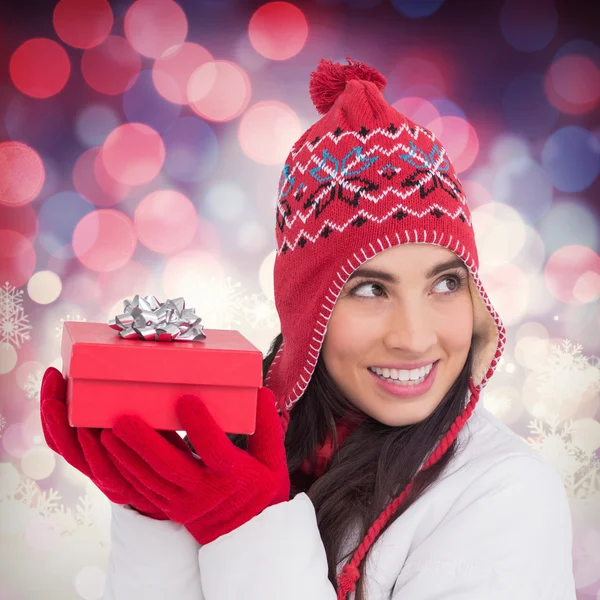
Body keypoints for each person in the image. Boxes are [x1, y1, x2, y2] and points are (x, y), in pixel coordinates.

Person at [40, 57, 576, 600]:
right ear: (307, 310)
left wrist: (246, 526)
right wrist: (159, 519)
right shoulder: (247, 449)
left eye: (444, 284)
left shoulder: (506, 494)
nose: (415, 337)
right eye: (370, 289)